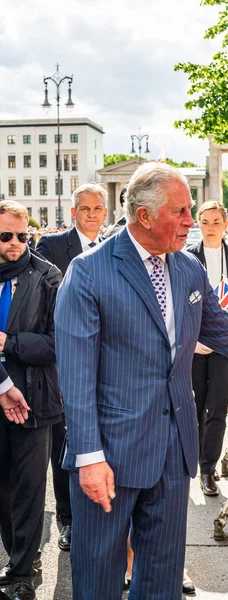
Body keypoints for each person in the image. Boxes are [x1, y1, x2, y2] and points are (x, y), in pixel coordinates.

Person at [54, 162, 228, 600]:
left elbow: (225, 332)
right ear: (144, 216)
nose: (191, 222)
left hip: (173, 448)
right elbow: (76, 373)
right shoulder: (89, 272)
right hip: (109, 451)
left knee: (163, 576)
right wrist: (89, 455)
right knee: (98, 576)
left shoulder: (187, 268)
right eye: (181, 211)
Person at [35, 183, 108, 552]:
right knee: (66, 440)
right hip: (63, 358)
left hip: (106, 361)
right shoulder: (51, 247)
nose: (91, 214)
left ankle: (99, 512)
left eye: (97, 208)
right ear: (74, 212)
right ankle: (68, 518)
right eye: (85, 208)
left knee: (99, 440)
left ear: (105, 213)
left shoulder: (113, 248)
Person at [0, 201, 63, 600]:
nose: (16, 244)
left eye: (23, 236)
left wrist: (11, 343)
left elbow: (58, 342)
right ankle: (17, 554)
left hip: (32, 400)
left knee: (28, 487)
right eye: (6, 236)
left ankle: (23, 567)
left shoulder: (47, 276)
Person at [187, 200, 228, 495]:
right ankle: (194, 462)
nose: (210, 228)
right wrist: (192, 339)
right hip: (195, 345)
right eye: (205, 222)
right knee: (196, 406)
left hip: (225, 343)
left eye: (216, 222)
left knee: (218, 407)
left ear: (226, 225)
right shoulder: (187, 257)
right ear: (198, 225)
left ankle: (209, 469)